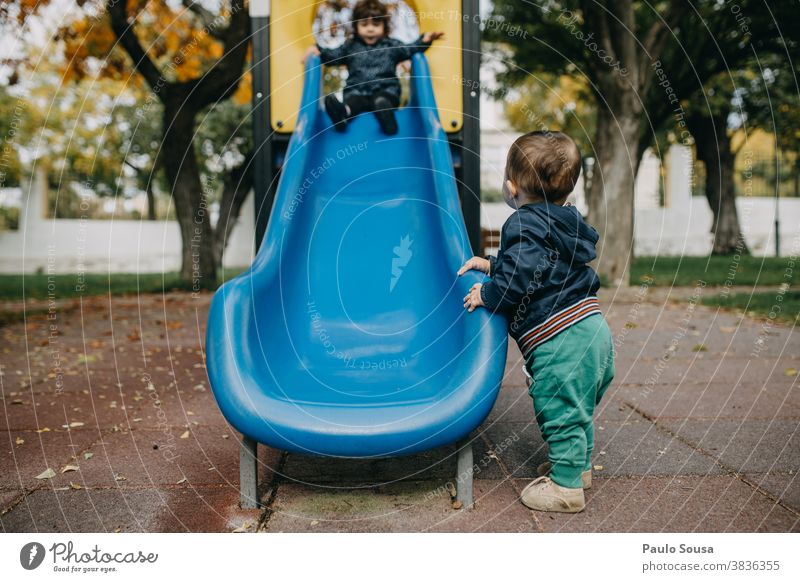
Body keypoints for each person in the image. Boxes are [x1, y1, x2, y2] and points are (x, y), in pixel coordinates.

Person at [457, 130, 615, 513]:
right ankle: (577, 468)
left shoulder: (522, 223)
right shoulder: (565, 222)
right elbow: (541, 267)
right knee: (575, 406)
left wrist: (487, 292)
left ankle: (565, 489)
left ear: (512, 187)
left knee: (558, 408)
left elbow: (521, 275)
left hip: (559, 338)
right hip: (591, 329)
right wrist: (494, 264)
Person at [304, 0, 444, 135]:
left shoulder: (392, 46)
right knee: (353, 103)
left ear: (384, 26)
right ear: (356, 26)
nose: (370, 29)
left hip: (385, 90)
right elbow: (333, 56)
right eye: (364, 24)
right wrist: (318, 50)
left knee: (381, 101)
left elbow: (410, 49)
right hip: (357, 91)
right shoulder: (350, 46)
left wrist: (424, 40)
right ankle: (342, 115)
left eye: (376, 24)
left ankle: (388, 120)